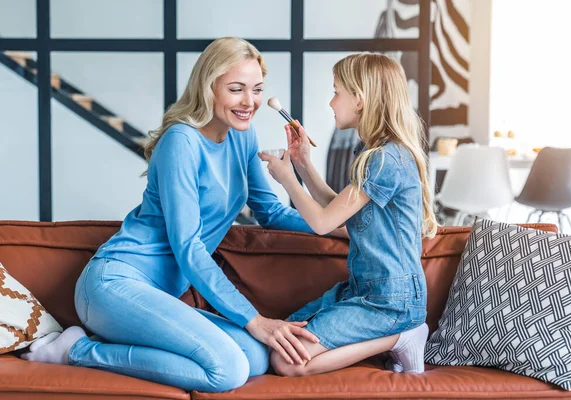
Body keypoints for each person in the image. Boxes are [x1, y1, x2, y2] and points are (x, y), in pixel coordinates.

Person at [19, 37, 320, 392]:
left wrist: (346, 229)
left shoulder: (243, 137)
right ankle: (77, 349)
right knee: (228, 370)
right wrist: (253, 319)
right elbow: (189, 247)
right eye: (236, 89)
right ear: (208, 88)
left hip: (157, 297)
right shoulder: (182, 141)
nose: (249, 102)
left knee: (254, 357)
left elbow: (270, 212)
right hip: (114, 284)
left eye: (256, 90)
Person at [258, 53, 438, 377]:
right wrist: (302, 164)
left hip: (390, 301)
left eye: (336, 91)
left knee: (286, 361)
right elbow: (337, 213)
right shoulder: (373, 154)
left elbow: (323, 223)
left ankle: (401, 337)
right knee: (283, 335)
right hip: (364, 291)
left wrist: (287, 179)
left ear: (361, 99)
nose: (331, 102)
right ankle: (398, 335)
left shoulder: (384, 160)